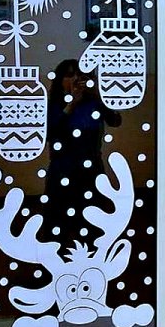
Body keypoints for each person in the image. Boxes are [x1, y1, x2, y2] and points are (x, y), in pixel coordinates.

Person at [42, 59, 122, 247]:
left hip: (91, 170)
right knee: (57, 223)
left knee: (92, 222)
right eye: (70, 75)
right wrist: (71, 105)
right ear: (60, 80)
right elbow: (49, 134)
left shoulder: (94, 103)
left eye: (80, 75)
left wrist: (99, 96)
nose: (76, 79)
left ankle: (92, 258)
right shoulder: (53, 105)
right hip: (62, 171)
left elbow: (115, 121)